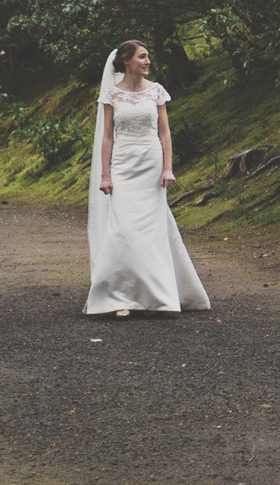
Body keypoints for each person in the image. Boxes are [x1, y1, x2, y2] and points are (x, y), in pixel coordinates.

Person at [84, 40, 211, 317]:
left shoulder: (156, 91)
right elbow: (107, 137)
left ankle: (159, 297)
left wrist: (168, 167)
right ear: (127, 60)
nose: (147, 61)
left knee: (151, 230)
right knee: (123, 229)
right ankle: (119, 297)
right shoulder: (111, 95)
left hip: (151, 164)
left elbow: (164, 132)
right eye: (142, 57)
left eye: (148, 57)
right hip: (123, 164)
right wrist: (105, 175)